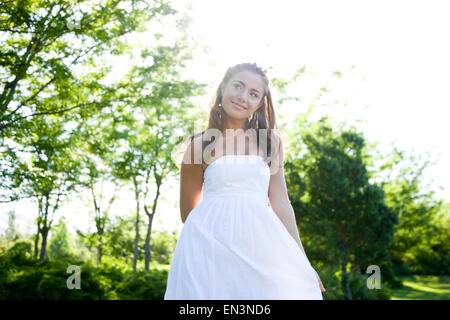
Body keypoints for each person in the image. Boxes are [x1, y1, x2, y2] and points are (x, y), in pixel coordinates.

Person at [164, 62, 325, 300]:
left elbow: (281, 203)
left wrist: (302, 259)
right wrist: (217, 241)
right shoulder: (199, 146)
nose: (242, 97)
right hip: (208, 249)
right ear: (223, 88)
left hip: (258, 245)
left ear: (260, 103)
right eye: (237, 86)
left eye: (253, 94)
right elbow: (188, 213)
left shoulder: (270, 143)